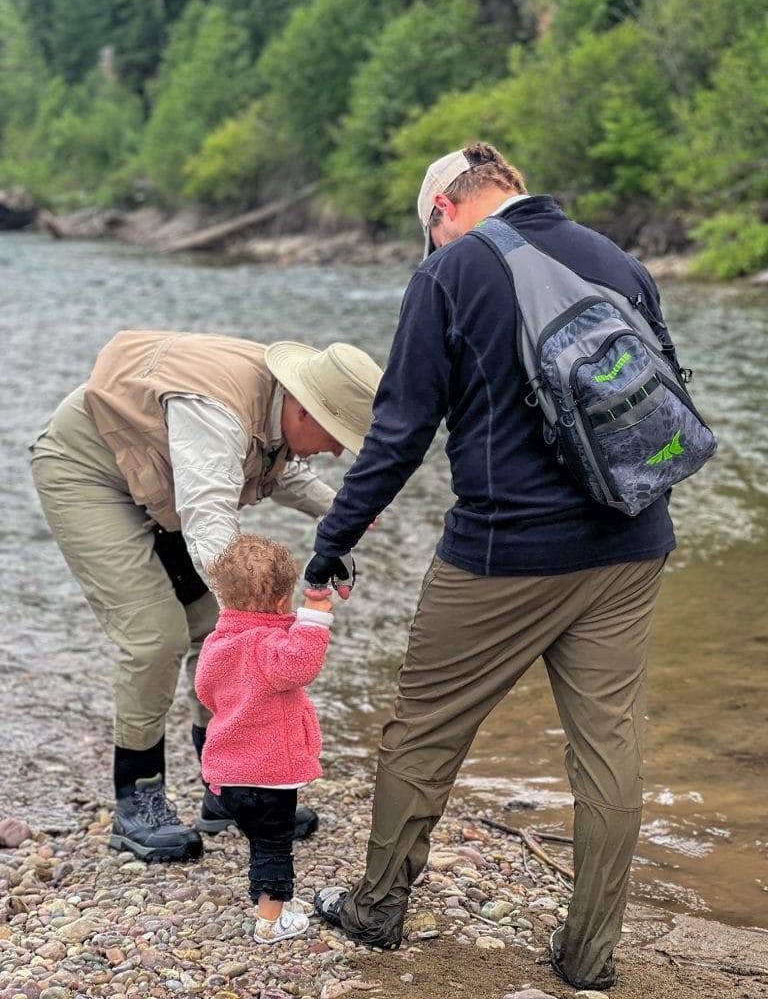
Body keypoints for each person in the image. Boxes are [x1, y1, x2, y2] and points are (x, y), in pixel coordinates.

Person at [305, 143, 678, 991]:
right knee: (610, 749)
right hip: (631, 543)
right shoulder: (615, 258)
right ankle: (589, 958)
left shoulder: (450, 274)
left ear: (442, 211)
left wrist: (333, 542)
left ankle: (377, 909)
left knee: (423, 730)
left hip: (501, 554)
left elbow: (400, 435)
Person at [30, 331, 382, 863]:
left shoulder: (278, 404)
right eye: (337, 435)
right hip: (90, 473)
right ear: (305, 408)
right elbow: (209, 516)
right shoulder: (216, 412)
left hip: (161, 483)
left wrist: (342, 519)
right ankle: (137, 800)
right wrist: (260, 619)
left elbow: (277, 469)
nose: (337, 450)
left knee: (214, 622)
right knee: (155, 638)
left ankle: (225, 787)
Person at [195, 533, 333, 944]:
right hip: (267, 776)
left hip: (228, 775)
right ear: (280, 603)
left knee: (261, 844)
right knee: (275, 849)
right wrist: (316, 615)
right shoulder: (269, 644)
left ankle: (274, 906)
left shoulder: (217, 642)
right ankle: (270, 922)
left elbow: (205, 692)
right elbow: (301, 663)